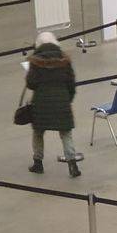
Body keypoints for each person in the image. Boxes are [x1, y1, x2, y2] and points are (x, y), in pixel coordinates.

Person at [25, 32, 81, 176]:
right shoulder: (65, 59)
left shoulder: (35, 61)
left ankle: (38, 163)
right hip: (62, 100)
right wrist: (68, 99)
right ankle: (72, 165)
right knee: (66, 133)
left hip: (41, 102)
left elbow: (31, 83)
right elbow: (71, 83)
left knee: (38, 132)